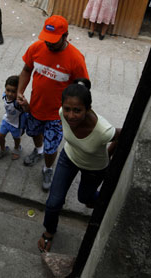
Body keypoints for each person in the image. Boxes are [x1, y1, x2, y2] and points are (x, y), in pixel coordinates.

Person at [37, 79, 120, 252]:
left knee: (85, 199)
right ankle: (49, 231)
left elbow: (123, 135)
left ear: (88, 109)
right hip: (68, 157)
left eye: (77, 110)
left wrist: (109, 156)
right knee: (53, 203)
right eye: (67, 109)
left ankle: (105, 202)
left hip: (94, 169)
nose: (71, 116)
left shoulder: (103, 131)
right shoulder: (62, 113)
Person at [17, 15, 89, 191]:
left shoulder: (76, 59)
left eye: (54, 41)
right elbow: (26, 70)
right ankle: (38, 150)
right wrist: (20, 92)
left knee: (52, 148)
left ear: (65, 36)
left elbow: (83, 91)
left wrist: (76, 115)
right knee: (34, 133)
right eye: (47, 39)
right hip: (34, 108)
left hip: (57, 116)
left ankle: (48, 168)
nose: (48, 44)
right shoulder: (36, 48)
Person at [0, 75, 25, 161]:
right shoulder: (4, 96)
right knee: (0, 136)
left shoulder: (18, 102)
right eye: (8, 90)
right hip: (6, 120)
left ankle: (17, 148)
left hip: (16, 125)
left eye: (13, 91)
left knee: (16, 138)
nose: (10, 94)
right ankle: (3, 149)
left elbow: (26, 111)